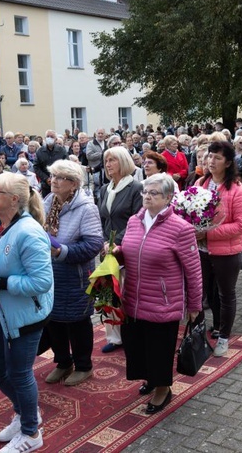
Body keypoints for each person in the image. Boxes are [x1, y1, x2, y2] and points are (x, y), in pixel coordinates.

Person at [0, 172, 53, 452]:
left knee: (19, 373)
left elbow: (42, 282)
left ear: (14, 199)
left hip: (25, 314)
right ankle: (25, 412)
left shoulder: (30, 232)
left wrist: (1, 283)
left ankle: (32, 433)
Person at [111, 173, 202, 413]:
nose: (147, 197)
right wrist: (115, 252)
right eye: (145, 192)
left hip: (163, 301)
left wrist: (194, 306)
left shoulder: (180, 228)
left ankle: (163, 389)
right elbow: (130, 252)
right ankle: (150, 379)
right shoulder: (134, 221)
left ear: (169, 198)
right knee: (137, 345)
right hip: (134, 298)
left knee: (159, 349)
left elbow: (193, 270)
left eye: (154, 193)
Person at [42, 160, 102, 386]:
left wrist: (61, 251)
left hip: (75, 276)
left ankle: (83, 365)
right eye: (53, 176)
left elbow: (94, 244)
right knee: (53, 320)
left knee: (77, 321)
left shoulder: (86, 208)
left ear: (74, 184)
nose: (53, 181)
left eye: (59, 177)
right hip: (50, 274)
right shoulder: (49, 201)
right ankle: (63, 362)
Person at [196, 142, 242, 357]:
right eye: (209, 156)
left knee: (226, 294)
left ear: (228, 163)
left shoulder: (236, 189)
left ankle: (224, 337)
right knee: (207, 293)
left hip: (226, 252)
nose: (211, 161)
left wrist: (208, 233)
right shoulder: (201, 183)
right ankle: (214, 328)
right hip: (201, 250)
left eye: (217, 158)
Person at [98, 146, 143, 353]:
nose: (108, 165)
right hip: (107, 248)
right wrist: (104, 241)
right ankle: (114, 337)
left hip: (126, 247)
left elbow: (137, 219)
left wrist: (118, 242)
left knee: (127, 291)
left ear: (123, 162)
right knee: (108, 292)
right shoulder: (104, 189)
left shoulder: (135, 188)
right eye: (106, 161)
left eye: (112, 160)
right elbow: (103, 219)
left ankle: (132, 333)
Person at [34, 130, 67, 197]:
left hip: (59, 183)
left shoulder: (62, 150)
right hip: (46, 184)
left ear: (56, 139)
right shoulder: (40, 151)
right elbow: (36, 167)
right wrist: (46, 178)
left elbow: (66, 165)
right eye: (48, 136)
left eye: (52, 137)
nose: (49, 138)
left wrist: (57, 177)